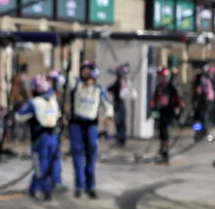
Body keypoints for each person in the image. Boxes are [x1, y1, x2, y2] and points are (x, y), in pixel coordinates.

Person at [68, 61, 113, 198]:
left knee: (92, 152)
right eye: (84, 70)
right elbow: (68, 75)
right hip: (76, 123)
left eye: (88, 70)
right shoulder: (77, 84)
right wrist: (65, 52)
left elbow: (108, 105)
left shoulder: (99, 89)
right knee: (77, 153)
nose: (85, 73)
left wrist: (108, 117)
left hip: (91, 125)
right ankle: (79, 186)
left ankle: (90, 186)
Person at [15, 75, 62, 201]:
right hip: (54, 136)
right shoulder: (53, 100)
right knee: (51, 164)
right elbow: (58, 115)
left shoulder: (33, 103)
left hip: (40, 138)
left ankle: (45, 190)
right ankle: (34, 188)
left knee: (40, 166)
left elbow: (18, 117)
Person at [151, 67, 184, 164]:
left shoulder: (172, 87)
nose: (162, 79)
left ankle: (165, 154)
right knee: (161, 133)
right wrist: (154, 110)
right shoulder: (159, 87)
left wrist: (178, 112)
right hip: (161, 112)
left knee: (165, 133)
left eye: (164, 77)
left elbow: (180, 101)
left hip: (169, 112)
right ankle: (162, 151)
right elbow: (155, 100)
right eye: (160, 77)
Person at [107, 63, 131, 148]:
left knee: (120, 123)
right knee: (119, 123)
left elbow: (122, 92)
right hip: (118, 104)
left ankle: (121, 140)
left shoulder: (122, 82)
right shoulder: (120, 81)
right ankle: (120, 140)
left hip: (120, 105)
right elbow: (110, 88)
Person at [192, 65, 215, 142]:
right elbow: (199, 90)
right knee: (202, 116)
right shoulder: (202, 79)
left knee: (204, 116)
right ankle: (203, 132)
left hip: (205, 100)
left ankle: (202, 132)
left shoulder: (207, 79)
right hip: (202, 100)